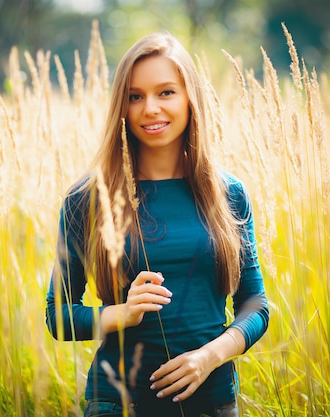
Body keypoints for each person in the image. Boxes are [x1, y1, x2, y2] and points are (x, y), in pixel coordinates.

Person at [45, 32, 269, 417]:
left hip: (212, 402)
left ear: (189, 99)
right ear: (123, 105)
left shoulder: (227, 192)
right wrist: (122, 314)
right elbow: (59, 316)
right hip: (118, 403)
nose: (150, 108)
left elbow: (255, 304)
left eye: (166, 92)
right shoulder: (87, 198)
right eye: (135, 96)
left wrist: (210, 356)